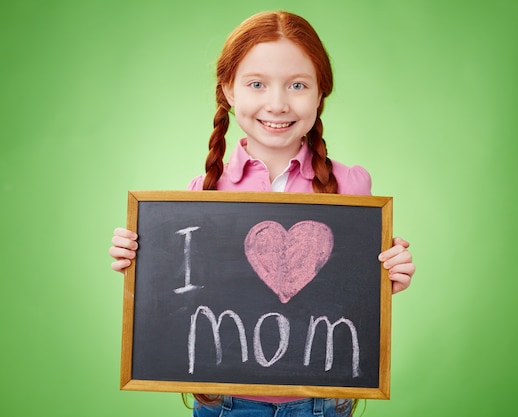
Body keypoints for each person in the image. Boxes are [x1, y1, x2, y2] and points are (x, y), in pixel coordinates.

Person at [109, 10, 415, 417]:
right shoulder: (200, 196)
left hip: (320, 404)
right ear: (229, 91)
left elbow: (351, 295)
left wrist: (388, 275)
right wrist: (141, 261)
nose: (278, 103)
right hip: (225, 405)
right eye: (257, 84)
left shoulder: (351, 187)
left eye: (298, 85)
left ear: (321, 92)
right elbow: (180, 303)